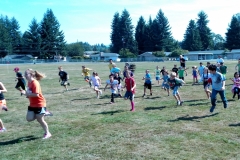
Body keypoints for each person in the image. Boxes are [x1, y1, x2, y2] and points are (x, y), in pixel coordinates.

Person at [23, 69, 52, 139]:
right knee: (29, 119)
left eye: (26, 74)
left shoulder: (35, 83)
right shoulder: (29, 82)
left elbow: (36, 95)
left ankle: (47, 133)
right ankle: (43, 113)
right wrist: (27, 94)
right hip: (32, 104)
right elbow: (30, 93)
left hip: (40, 104)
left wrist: (27, 93)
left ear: (31, 74)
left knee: (40, 119)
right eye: (25, 74)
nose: (25, 76)